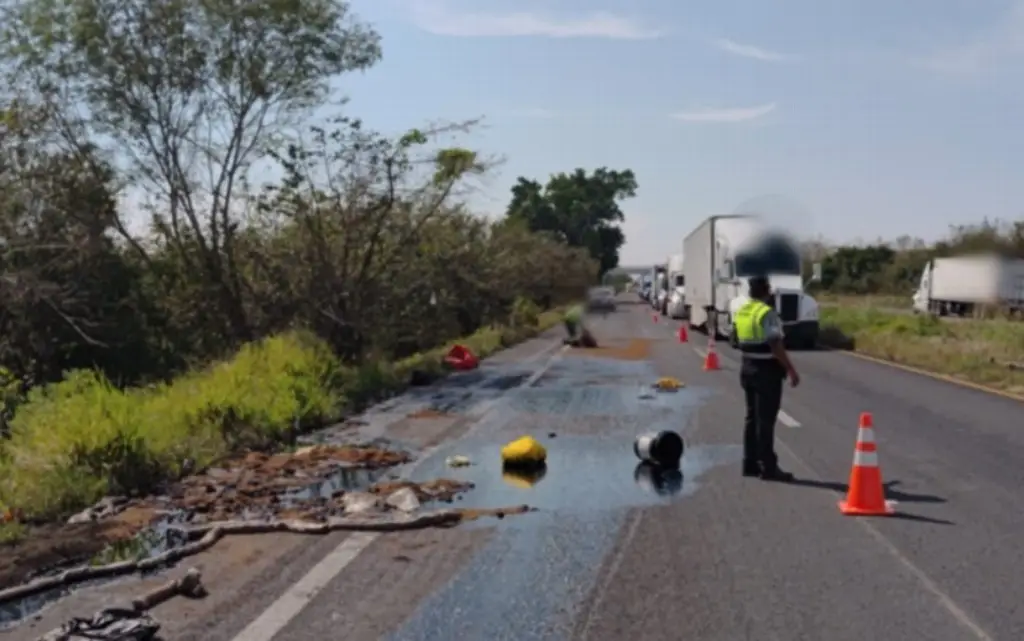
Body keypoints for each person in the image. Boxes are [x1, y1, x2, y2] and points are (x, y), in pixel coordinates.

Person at [733, 275, 800, 481]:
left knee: (751, 417)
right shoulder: (766, 313)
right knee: (766, 420)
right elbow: (775, 344)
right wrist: (790, 369)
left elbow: (734, 339)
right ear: (767, 291)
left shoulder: (742, 310)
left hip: (747, 367)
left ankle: (750, 463)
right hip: (766, 370)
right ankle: (768, 467)